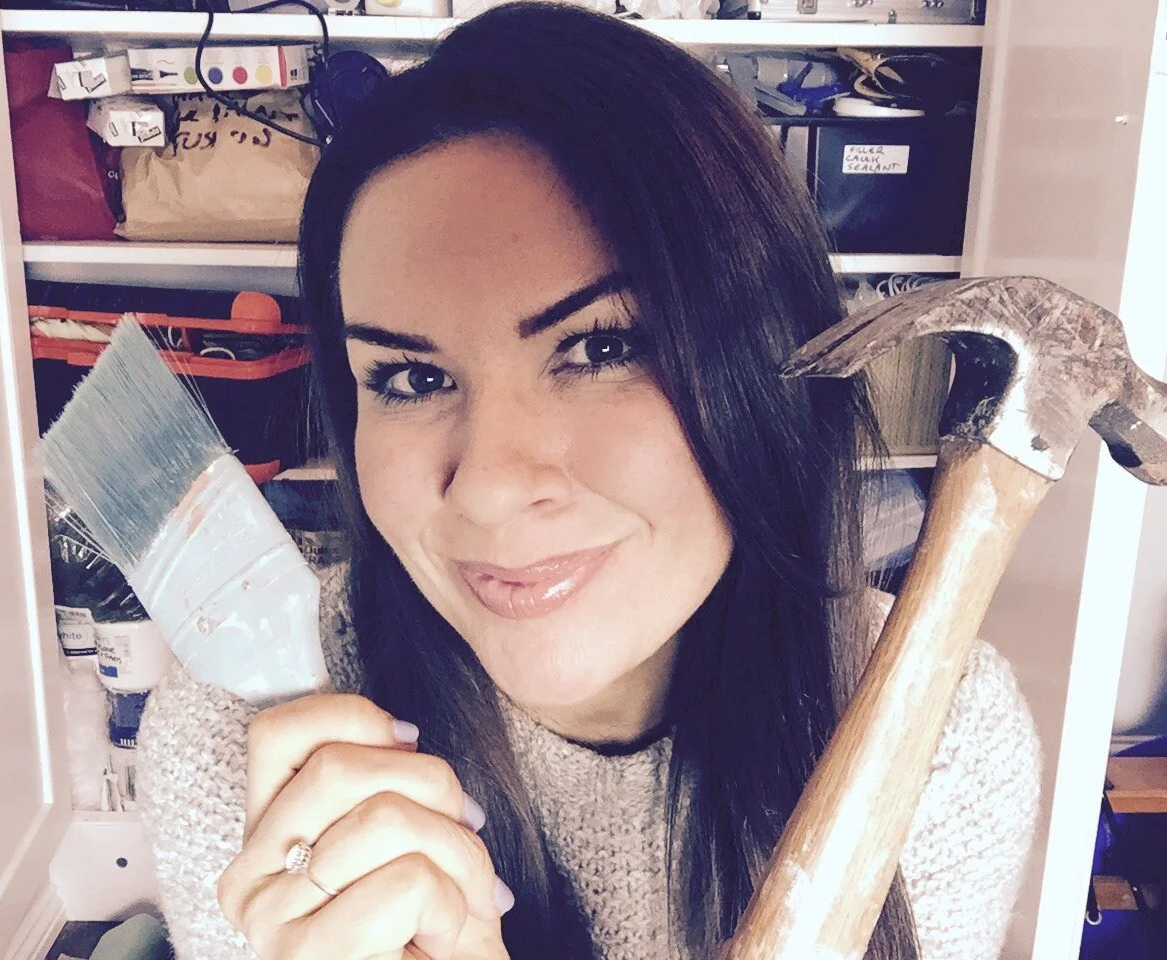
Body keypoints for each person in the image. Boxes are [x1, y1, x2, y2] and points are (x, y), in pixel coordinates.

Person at [136, 4, 1042, 959]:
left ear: (766, 364)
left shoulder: (933, 735)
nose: (488, 489)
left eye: (601, 348)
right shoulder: (240, 737)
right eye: (411, 379)